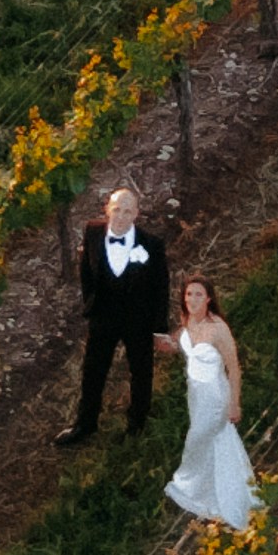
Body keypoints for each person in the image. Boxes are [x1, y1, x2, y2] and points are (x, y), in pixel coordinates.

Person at [68, 188, 173, 442]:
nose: (121, 216)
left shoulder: (152, 245)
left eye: (128, 211)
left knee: (140, 372)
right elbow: (86, 272)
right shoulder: (92, 232)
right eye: (117, 209)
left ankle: (136, 425)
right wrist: (91, 304)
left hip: (138, 319)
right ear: (107, 209)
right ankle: (85, 424)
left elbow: (161, 288)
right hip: (103, 316)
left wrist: (159, 329)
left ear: (136, 214)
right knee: (93, 371)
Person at [162, 274, 256, 531]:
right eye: (189, 294)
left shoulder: (218, 329)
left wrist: (234, 403)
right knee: (216, 443)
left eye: (198, 294)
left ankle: (190, 486)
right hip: (195, 395)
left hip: (215, 397)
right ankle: (217, 486)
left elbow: (234, 369)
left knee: (197, 439)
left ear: (209, 298)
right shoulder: (188, 320)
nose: (192, 299)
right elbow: (180, 341)